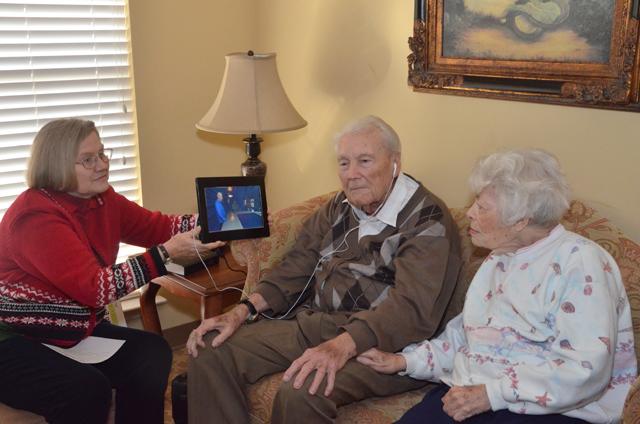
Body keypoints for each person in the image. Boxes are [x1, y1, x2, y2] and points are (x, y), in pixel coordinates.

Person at [187, 115, 463, 423]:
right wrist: (241, 310)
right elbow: (297, 265)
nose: (352, 175)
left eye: (365, 161)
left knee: (304, 388)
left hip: (384, 345)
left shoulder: (426, 220)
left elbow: (411, 310)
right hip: (317, 324)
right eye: (344, 163)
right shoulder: (340, 206)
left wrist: (343, 345)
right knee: (211, 348)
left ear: (395, 164)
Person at [357, 149, 637, 423]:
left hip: (554, 410)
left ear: (520, 221)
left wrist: (492, 395)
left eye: (482, 207)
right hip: (480, 391)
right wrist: (405, 362)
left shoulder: (581, 264)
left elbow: (586, 369)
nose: (470, 213)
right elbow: (468, 337)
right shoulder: (500, 257)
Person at [0, 118, 224, 424]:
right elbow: (95, 288)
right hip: (14, 336)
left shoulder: (101, 199)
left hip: (69, 328)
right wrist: (165, 254)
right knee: (87, 389)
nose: (102, 165)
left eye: (102, 154)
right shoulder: (35, 216)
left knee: (152, 352)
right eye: (89, 159)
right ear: (58, 166)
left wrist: (220, 219)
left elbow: (158, 227)